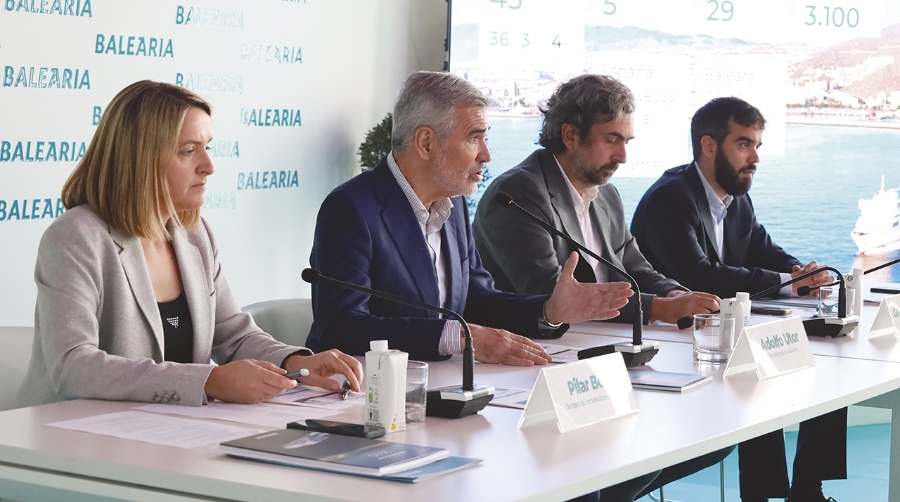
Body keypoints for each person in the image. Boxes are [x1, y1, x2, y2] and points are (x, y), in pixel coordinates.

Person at [307, 70, 707, 502]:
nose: (486, 154)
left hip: (453, 399)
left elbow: (477, 298)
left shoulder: (453, 207)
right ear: (426, 143)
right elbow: (341, 326)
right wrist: (460, 337)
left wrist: (549, 312)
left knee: (591, 458)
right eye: (475, 137)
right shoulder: (353, 208)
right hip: (380, 412)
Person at [18, 81, 362, 408]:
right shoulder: (76, 237)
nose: (209, 166)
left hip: (160, 434)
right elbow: (74, 367)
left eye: (207, 147)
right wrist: (207, 381)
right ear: (140, 160)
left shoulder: (194, 236)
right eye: (188, 151)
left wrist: (299, 361)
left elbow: (234, 337)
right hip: (68, 440)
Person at [631, 96, 844, 502]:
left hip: (722, 338)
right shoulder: (670, 198)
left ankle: (807, 491)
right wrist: (788, 282)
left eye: (758, 146)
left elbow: (766, 250)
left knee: (824, 357)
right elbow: (698, 276)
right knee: (757, 370)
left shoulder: (736, 197)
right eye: (745, 144)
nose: (756, 157)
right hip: (674, 347)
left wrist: (801, 273)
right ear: (709, 146)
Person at [473, 74, 720, 325]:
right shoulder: (518, 192)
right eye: (611, 140)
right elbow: (550, 295)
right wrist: (658, 308)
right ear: (570, 136)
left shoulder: (606, 194)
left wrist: (673, 293)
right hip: (538, 344)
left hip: (600, 335)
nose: (622, 156)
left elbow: (635, 268)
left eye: (626, 142)